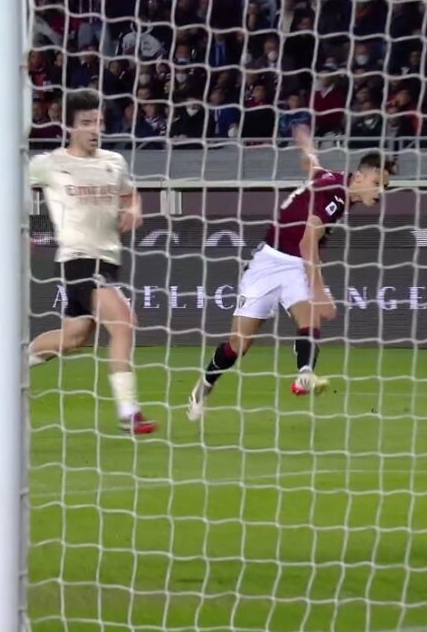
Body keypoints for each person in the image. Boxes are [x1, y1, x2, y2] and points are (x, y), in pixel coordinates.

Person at [187, 125, 394, 419]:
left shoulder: (331, 179)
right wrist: (319, 290)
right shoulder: (336, 197)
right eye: (377, 183)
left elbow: (312, 166)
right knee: (239, 345)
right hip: (269, 262)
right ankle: (203, 386)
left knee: (308, 317)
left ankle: (305, 374)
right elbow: (308, 240)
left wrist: (305, 145)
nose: (380, 191)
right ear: (359, 177)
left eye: (385, 186)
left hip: (295, 264)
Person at [26, 90, 156, 435]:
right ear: (70, 126)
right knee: (124, 323)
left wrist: (133, 209)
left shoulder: (114, 161)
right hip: (77, 259)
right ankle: (129, 411)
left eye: (98, 122)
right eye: (86, 122)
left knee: (74, 338)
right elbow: (8, 188)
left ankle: (14, 366)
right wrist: (18, 229)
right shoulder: (49, 164)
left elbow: (130, 193)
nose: (95, 129)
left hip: (109, 259)